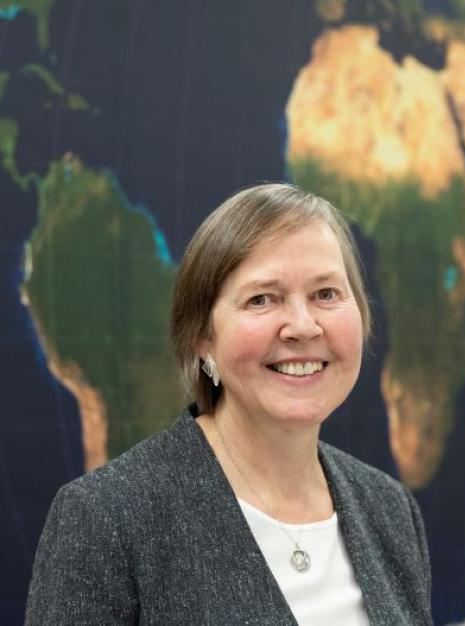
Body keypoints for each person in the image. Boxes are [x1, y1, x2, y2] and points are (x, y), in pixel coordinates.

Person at [25, 183, 433, 625]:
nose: (303, 326)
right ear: (203, 338)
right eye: (262, 299)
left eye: (326, 294)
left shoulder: (391, 510)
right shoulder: (106, 519)